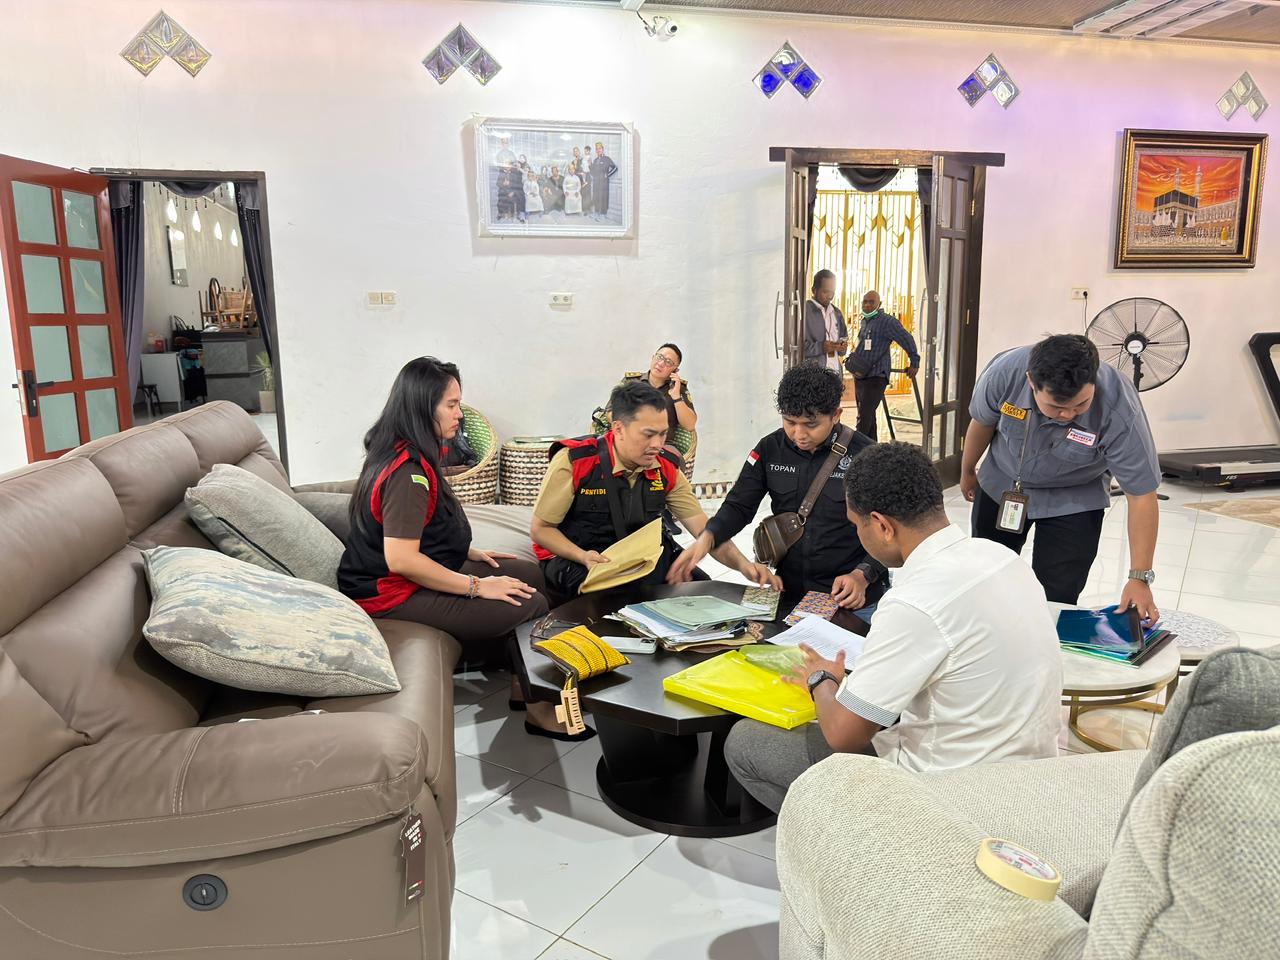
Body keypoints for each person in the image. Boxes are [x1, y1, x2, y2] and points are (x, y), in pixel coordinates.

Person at [724, 442, 1063, 812]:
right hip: (1031, 774)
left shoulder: (913, 601)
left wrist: (822, 679)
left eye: (857, 525)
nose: (858, 535)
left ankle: (855, 835)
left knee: (746, 743)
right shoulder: (1002, 558)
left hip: (947, 792)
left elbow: (844, 736)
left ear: (883, 525)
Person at [337, 358, 578, 740]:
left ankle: (522, 685)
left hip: (404, 579)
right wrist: (477, 586)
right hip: (390, 595)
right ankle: (539, 710)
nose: (460, 414)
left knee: (529, 573)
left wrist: (466, 553)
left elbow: (419, 529)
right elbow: (401, 559)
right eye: (451, 404)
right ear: (422, 407)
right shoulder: (407, 473)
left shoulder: (408, 452)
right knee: (529, 603)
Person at [961, 334, 1161, 617]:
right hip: (1003, 483)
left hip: (1074, 496)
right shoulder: (1004, 374)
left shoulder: (1119, 405)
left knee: (1058, 594)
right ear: (1031, 382)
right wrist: (968, 470)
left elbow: (1141, 495)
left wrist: (1139, 578)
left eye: (1080, 405)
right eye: (1056, 407)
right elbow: (982, 422)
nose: (1068, 415)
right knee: (987, 578)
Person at [532, 380, 776, 603]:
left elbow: (704, 530)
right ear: (618, 429)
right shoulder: (576, 461)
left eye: (663, 434)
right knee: (618, 601)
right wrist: (582, 556)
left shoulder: (666, 467)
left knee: (706, 592)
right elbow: (541, 529)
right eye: (648, 435)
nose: (657, 445)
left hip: (642, 559)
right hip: (582, 561)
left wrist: (744, 566)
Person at [669, 365, 884, 614]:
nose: (798, 434)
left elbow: (894, 529)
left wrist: (862, 575)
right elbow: (739, 506)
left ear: (836, 415)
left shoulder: (866, 455)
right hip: (788, 594)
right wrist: (708, 537)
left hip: (851, 599)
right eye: (790, 422)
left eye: (811, 424)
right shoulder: (770, 449)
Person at [845, 290, 919, 441]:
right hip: (861, 375)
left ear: (879, 304)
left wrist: (914, 362)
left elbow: (906, 338)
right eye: (865, 301)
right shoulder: (865, 321)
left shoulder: (887, 321)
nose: (867, 305)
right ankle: (871, 449)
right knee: (868, 418)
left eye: (871, 302)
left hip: (876, 377)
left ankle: (856, 449)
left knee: (863, 418)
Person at [803, 269, 847, 374]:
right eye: (825, 292)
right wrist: (820, 347)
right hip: (814, 375)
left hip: (835, 373)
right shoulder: (804, 311)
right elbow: (796, 347)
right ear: (814, 290)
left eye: (832, 292)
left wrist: (842, 347)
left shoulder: (837, 313)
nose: (830, 296)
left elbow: (843, 339)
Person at [589, 141, 618, 219]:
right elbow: (593, 173)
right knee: (596, 196)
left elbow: (615, 168)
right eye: (597, 149)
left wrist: (607, 175)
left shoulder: (607, 159)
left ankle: (603, 214)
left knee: (603, 197)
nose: (598, 150)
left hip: (604, 182)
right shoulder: (595, 160)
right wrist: (590, 165)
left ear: (602, 149)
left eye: (600, 148)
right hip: (596, 182)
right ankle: (596, 212)